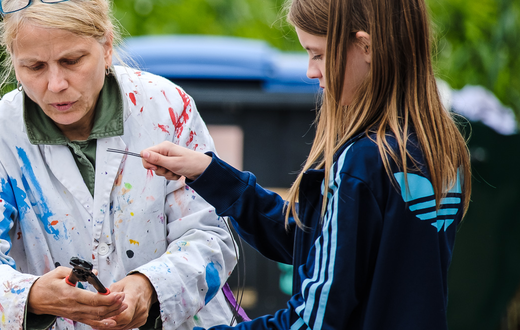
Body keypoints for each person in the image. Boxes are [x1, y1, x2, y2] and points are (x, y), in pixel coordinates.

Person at [139, 0, 472, 328]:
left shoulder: (360, 165)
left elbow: (313, 320)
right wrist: (210, 174)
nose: (311, 71)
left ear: (365, 46)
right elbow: (319, 245)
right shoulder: (438, 150)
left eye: (318, 54)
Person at [0, 0, 239, 329]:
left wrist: (151, 287)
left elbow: (211, 236)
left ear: (106, 46)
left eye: (72, 60)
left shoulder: (166, 108)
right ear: (13, 59)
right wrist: (32, 295)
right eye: (34, 67)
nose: (56, 84)